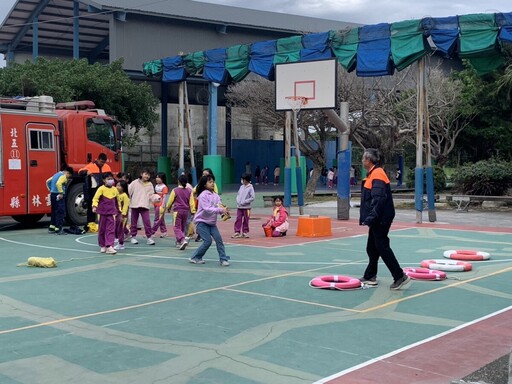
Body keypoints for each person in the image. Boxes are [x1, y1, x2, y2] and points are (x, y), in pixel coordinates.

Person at [359, 148, 410, 290]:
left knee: (382, 246)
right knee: (372, 247)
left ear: (368, 160)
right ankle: (370, 275)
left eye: (363, 159)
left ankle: (399, 275)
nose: (362, 161)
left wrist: (371, 217)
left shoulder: (378, 174)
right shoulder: (372, 174)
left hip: (381, 217)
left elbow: (379, 199)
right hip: (377, 217)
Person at [189, 174, 231, 266]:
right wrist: (220, 210)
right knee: (208, 241)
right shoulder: (203, 195)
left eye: (213, 182)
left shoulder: (215, 195)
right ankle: (195, 257)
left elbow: (219, 206)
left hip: (212, 223)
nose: (212, 183)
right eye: (210, 182)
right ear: (204, 184)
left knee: (219, 240)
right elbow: (207, 209)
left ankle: (223, 259)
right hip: (201, 222)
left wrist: (224, 211)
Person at [78, 153, 112, 232]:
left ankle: (103, 223)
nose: (102, 164)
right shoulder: (90, 166)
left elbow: (110, 178)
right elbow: (80, 172)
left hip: (104, 191)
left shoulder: (107, 167)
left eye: (104, 162)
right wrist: (86, 172)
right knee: (92, 207)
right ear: (97, 159)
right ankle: (91, 224)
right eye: (101, 162)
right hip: (93, 191)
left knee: (104, 207)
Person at [164, 174, 195, 250]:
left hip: (177, 211)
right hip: (186, 211)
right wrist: (193, 210)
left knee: (176, 227)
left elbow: (170, 200)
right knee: (183, 227)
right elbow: (192, 202)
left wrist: (168, 207)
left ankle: (182, 239)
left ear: (178, 181)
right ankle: (179, 242)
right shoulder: (189, 191)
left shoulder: (175, 190)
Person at [92, 172, 119, 254]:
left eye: (111, 179)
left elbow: (117, 201)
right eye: (108, 179)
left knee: (110, 230)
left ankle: (109, 246)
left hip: (111, 213)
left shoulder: (115, 189)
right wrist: (94, 206)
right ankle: (102, 245)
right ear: (104, 180)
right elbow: (95, 199)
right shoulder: (101, 189)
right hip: (102, 213)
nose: (110, 180)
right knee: (102, 230)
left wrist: (118, 210)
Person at [128, 168, 155, 245]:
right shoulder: (135, 183)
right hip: (135, 205)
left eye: (148, 175)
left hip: (145, 206)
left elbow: (151, 195)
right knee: (133, 222)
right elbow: (129, 191)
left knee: (147, 222)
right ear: (141, 174)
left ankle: (149, 238)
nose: (147, 176)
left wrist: (155, 198)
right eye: (145, 174)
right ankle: (133, 237)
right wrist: (128, 201)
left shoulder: (150, 185)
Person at [46, 166, 74, 235]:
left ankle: (52, 227)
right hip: (58, 196)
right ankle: (58, 229)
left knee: (54, 211)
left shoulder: (56, 174)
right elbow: (58, 183)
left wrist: (51, 189)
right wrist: (61, 192)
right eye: (69, 176)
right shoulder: (63, 176)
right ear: (67, 173)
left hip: (53, 194)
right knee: (60, 212)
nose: (68, 178)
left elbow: (47, 181)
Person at [232, 173, 255, 239]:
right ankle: (237, 232)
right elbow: (238, 195)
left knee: (246, 219)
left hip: (247, 207)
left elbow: (252, 197)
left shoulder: (250, 188)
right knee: (238, 219)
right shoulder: (241, 187)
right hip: (239, 207)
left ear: (247, 180)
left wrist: (244, 202)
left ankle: (245, 232)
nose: (242, 180)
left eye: (243, 179)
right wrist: (238, 201)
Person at [151, 172, 169, 238]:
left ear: (162, 179)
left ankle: (152, 232)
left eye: (158, 177)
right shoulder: (156, 186)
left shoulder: (164, 187)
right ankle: (164, 231)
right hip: (156, 204)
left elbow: (164, 197)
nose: (157, 178)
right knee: (161, 219)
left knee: (157, 219)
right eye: (156, 177)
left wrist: (163, 206)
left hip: (160, 205)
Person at [114, 180, 130, 251]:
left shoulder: (125, 196)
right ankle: (119, 239)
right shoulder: (116, 195)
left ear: (123, 187)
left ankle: (121, 244)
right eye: (117, 185)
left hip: (122, 215)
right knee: (116, 228)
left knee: (120, 229)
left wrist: (123, 215)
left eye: (119, 186)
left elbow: (126, 206)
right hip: (116, 214)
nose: (117, 187)